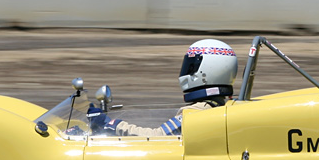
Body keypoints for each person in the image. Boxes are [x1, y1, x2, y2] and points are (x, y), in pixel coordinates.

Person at [88, 39, 237, 137]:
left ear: (204, 71)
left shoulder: (196, 113)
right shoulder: (226, 106)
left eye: (190, 66)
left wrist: (111, 125)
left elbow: (156, 137)